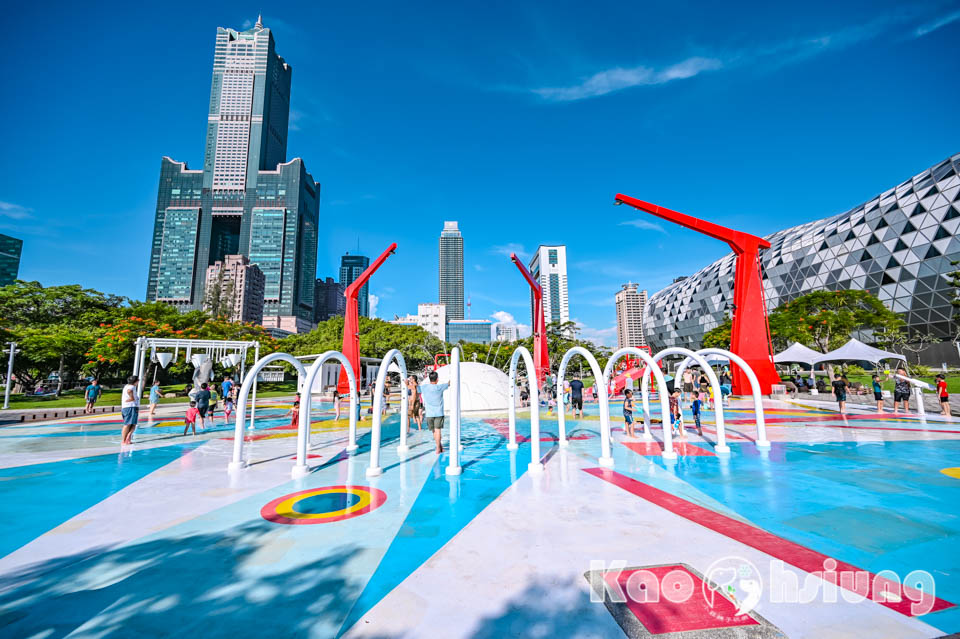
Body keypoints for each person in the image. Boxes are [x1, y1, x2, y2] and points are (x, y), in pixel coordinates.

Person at [418, 371, 450, 454]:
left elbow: (415, 388)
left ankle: (439, 447)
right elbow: (449, 384)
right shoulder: (440, 387)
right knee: (438, 431)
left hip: (429, 414)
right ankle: (439, 448)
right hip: (439, 413)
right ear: (437, 379)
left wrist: (408, 384)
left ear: (429, 379)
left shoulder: (424, 387)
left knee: (434, 431)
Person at [120, 375, 140, 446]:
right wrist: (132, 398)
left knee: (130, 423)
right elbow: (129, 391)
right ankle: (126, 438)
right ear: (135, 381)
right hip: (131, 407)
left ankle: (127, 438)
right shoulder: (131, 387)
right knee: (130, 424)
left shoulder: (126, 386)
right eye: (138, 380)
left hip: (126, 407)